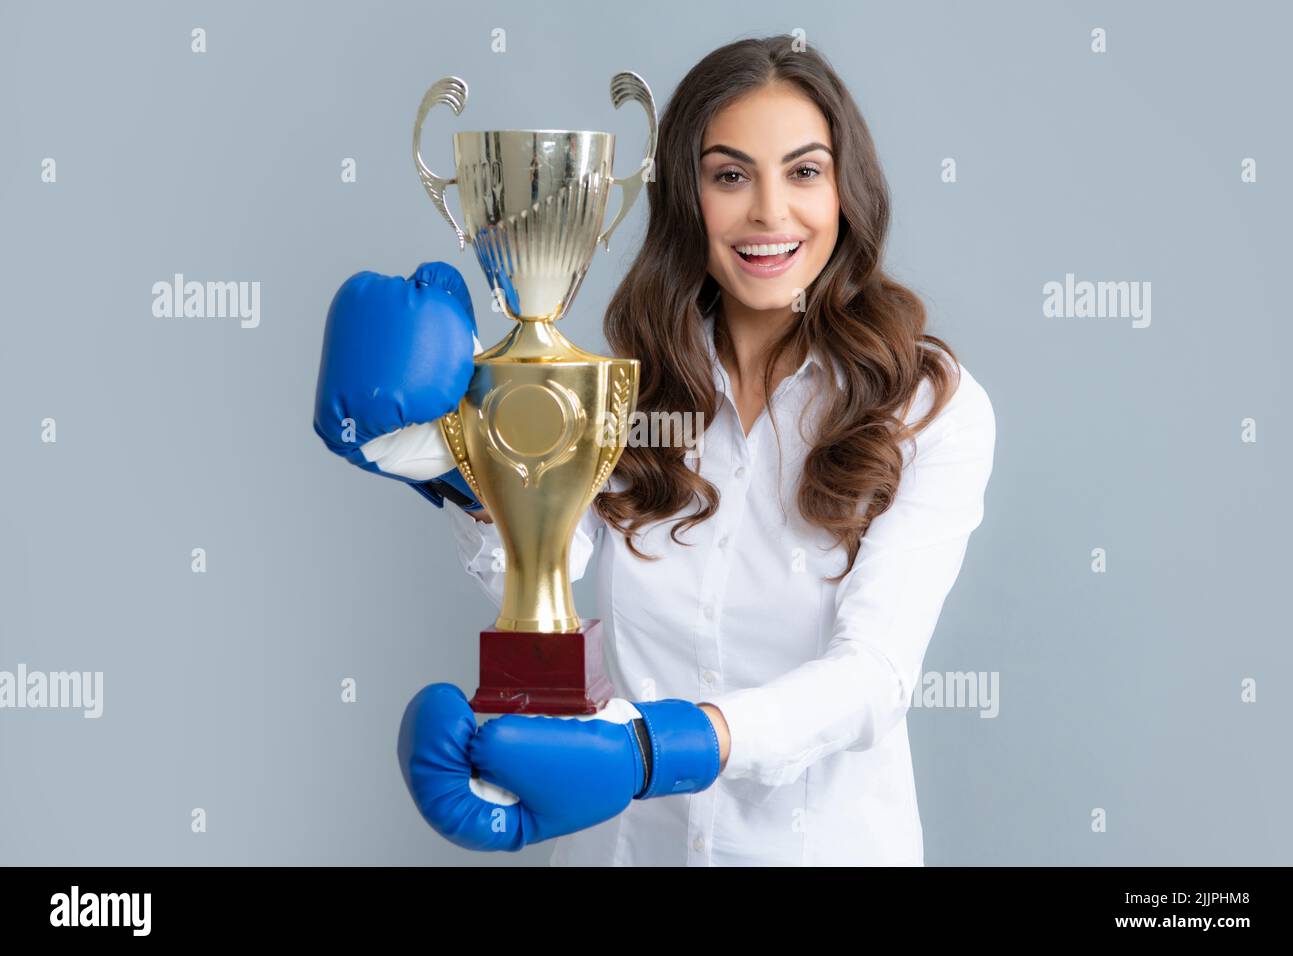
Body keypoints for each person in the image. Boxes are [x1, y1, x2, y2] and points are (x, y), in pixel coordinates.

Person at [314, 35, 996, 866]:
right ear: (687, 196)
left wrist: (657, 750)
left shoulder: (927, 405)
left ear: (846, 191)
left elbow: (874, 677)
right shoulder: (630, 384)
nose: (771, 213)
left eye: (805, 171)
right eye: (731, 174)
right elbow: (543, 571)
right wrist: (458, 464)